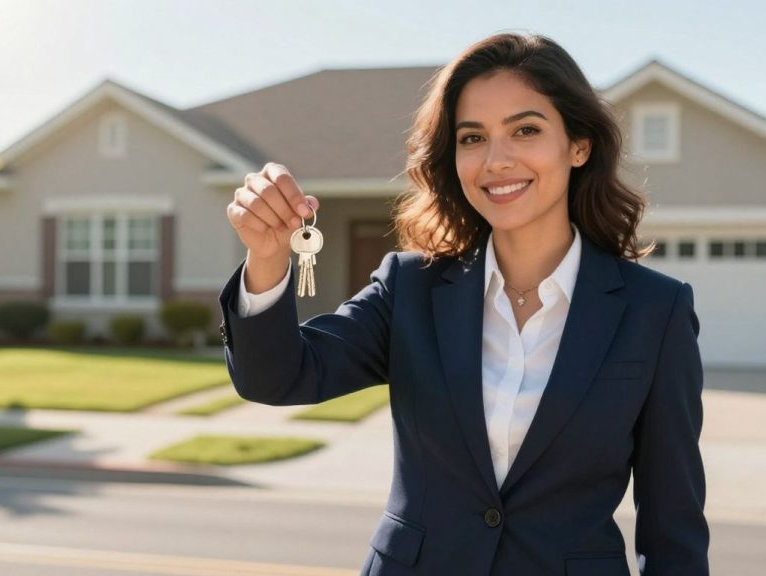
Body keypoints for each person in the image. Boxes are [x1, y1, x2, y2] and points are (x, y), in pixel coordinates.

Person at [220, 32, 709, 576]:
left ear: (579, 145)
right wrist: (266, 256)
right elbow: (278, 377)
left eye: (526, 130)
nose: (496, 160)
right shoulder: (411, 288)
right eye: (472, 138)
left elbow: (673, 528)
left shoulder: (654, 312)